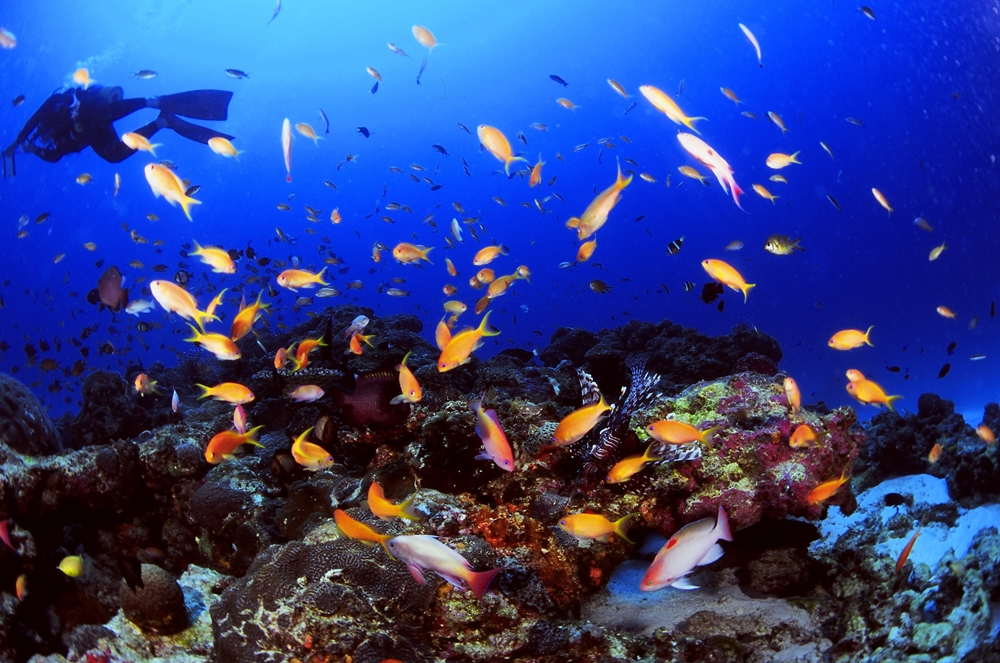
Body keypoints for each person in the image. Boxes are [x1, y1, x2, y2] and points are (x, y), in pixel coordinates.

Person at [2, 84, 235, 176]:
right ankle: (162, 121)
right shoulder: (54, 140)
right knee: (114, 155)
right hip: (91, 133)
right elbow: (53, 156)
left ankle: (151, 101)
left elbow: (36, 116)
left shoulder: (58, 103)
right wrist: (33, 149)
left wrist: (21, 138)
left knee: (98, 114)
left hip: (91, 107)